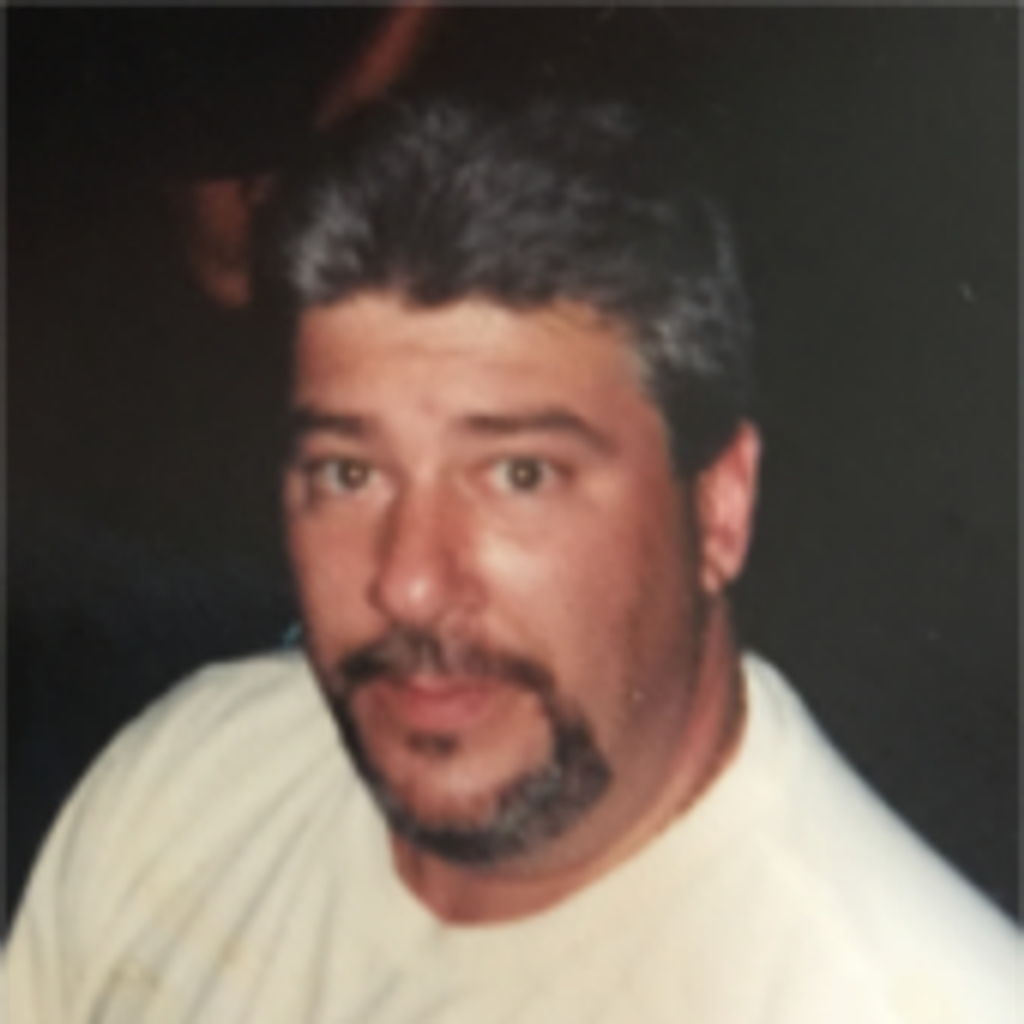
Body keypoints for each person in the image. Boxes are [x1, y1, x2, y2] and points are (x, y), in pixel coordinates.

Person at [1, 97, 1019, 1022]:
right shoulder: (194, 775)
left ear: (718, 507)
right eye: (349, 473)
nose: (409, 582)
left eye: (519, 474)